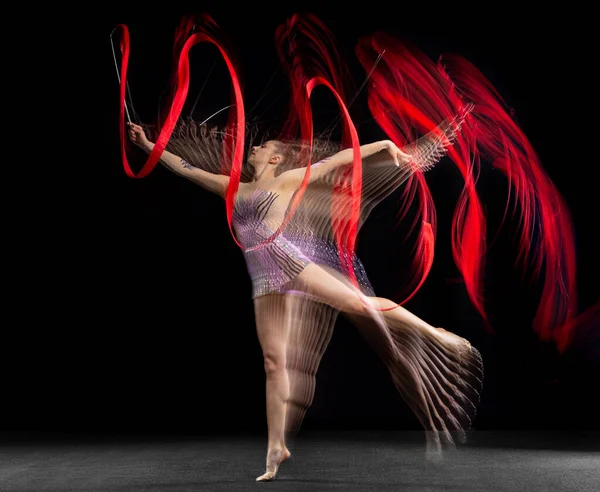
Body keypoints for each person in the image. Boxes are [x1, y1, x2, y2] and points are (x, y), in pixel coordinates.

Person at [127, 118, 483, 481]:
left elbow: (341, 158)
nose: (254, 147)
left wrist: (384, 146)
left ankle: (437, 333)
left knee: (359, 304)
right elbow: (184, 168)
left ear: (277, 160)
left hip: (290, 263)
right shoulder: (232, 189)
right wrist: (146, 145)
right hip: (263, 279)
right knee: (272, 362)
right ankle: (276, 447)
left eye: (262, 146)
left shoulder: (288, 181)